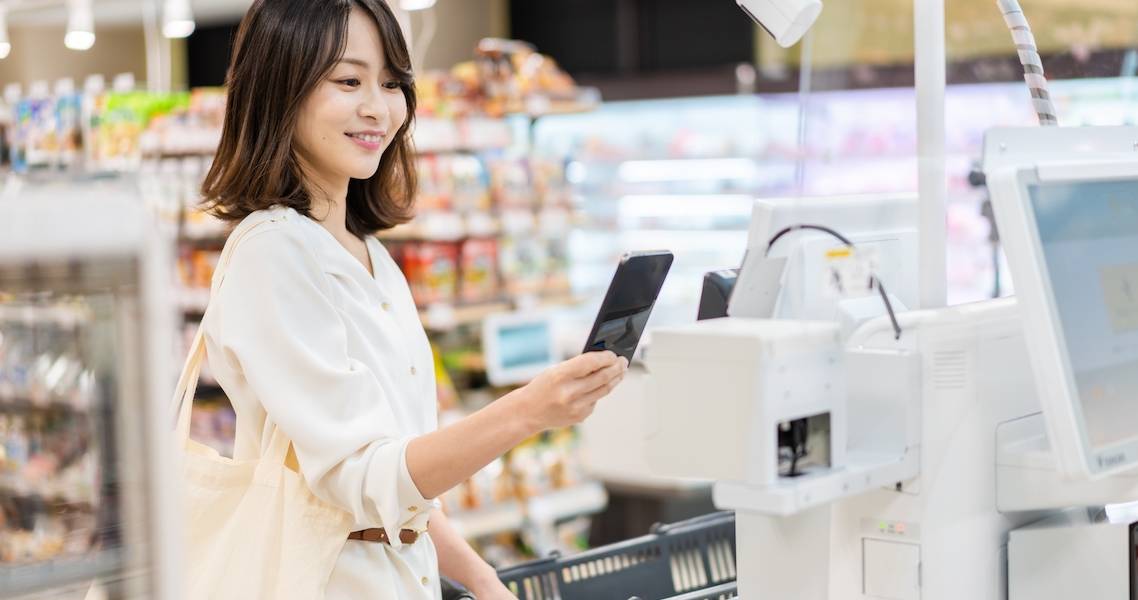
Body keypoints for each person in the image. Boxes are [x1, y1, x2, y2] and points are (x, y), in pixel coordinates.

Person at [196, 1, 628, 598]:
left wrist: (485, 584)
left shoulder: (369, 254)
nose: (379, 107)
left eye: (393, 83)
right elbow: (364, 477)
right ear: (280, 88)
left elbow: (406, 488)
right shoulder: (272, 253)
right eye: (349, 81)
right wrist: (529, 410)